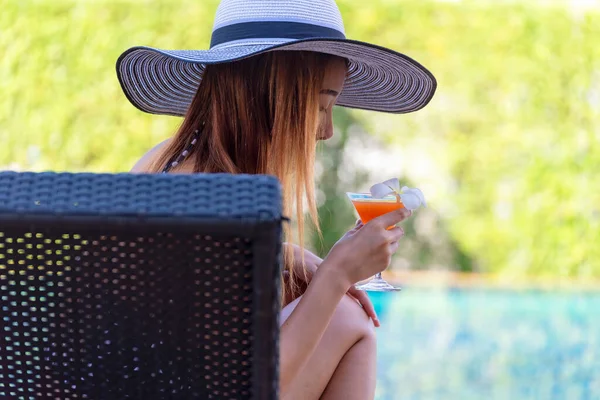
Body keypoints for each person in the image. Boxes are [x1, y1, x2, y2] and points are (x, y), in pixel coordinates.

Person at [120, 0, 436, 398]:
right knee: (349, 318)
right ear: (269, 93)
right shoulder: (222, 201)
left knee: (342, 314)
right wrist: (337, 274)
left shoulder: (166, 161)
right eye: (321, 105)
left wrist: (285, 252)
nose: (326, 131)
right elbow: (242, 390)